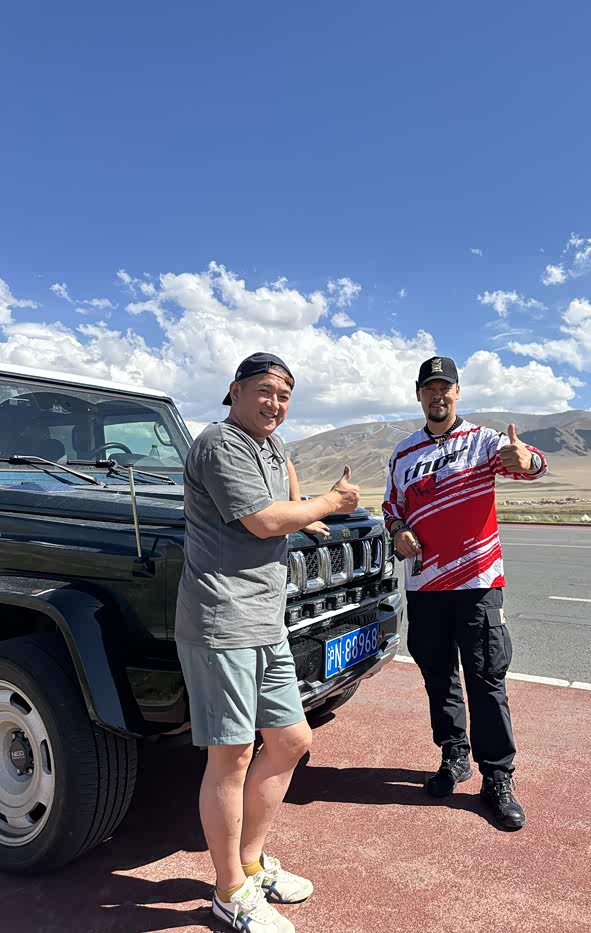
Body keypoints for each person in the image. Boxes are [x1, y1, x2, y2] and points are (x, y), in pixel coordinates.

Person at [175, 352, 360, 932]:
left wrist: (303, 513)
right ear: (235, 390)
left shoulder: (271, 445)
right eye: (264, 391)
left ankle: (251, 865)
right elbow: (260, 520)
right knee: (230, 755)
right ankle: (229, 889)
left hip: (264, 620)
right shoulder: (220, 443)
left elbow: (283, 490)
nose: (275, 404)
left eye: (284, 395)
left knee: (290, 740)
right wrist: (327, 505)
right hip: (222, 620)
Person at [382, 356, 547, 829]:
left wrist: (529, 460)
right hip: (424, 586)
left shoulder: (484, 441)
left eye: (445, 387)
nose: (438, 395)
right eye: (429, 388)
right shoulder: (403, 453)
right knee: (438, 676)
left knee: (486, 678)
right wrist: (397, 530)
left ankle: (497, 777)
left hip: (477, 584)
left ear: (457, 393)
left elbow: (528, 464)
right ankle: (454, 755)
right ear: (419, 394)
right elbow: (392, 506)